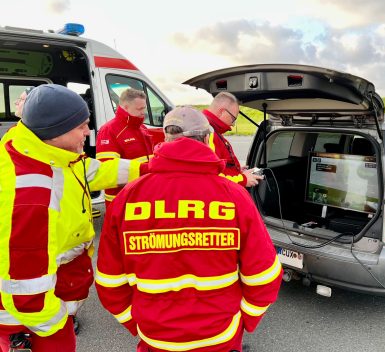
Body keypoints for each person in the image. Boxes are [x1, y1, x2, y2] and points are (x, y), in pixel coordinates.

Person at [95, 106, 282, 352]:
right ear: (207, 139)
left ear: (165, 139)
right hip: (220, 337)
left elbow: (109, 282)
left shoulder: (128, 197)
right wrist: (244, 321)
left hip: (155, 339)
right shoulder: (233, 195)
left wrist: (138, 323)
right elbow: (264, 275)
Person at [0, 84, 145, 352]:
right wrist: (56, 326)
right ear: (56, 131)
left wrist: (148, 167)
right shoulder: (30, 193)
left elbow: (93, 171)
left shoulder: (43, 150)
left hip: (50, 289)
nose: (89, 133)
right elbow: (25, 291)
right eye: (82, 126)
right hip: (31, 313)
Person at [96, 88, 154, 208]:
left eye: (144, 108)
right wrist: (147, 169)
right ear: (125, 107)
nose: (144, 112)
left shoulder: (142, 128)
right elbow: (108, 170)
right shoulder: (109, 130)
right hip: (121, 199)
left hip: (143, 195)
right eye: (140, 109)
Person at [203, 92, 263, 187]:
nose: (232, 125)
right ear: (222, 112)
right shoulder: (208, 133)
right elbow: (212, 175)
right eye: (233, 119)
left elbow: (220, 165)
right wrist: (242, 179)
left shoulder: (208, 128)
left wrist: (237, 170)